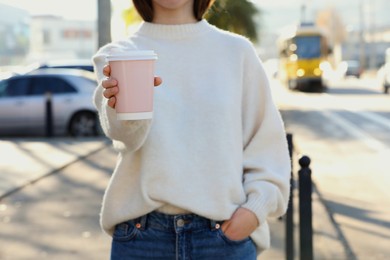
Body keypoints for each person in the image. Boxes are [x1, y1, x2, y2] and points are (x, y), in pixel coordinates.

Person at [92, 0, 291, 259]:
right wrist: (122, 106)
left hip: (223, 238)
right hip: (141, 240)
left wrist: (254, 210)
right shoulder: (118, 55)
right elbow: (124, 137)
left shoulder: (237, 52)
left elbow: (267, 144)